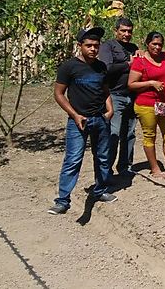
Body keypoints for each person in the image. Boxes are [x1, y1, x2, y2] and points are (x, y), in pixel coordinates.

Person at [48, 27, 117, 215]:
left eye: (96, 46)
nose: (93, 49)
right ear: (80, 46)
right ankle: (62, 200)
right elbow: (59, 94)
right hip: (78, 121)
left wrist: (110, 110)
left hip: (100, 120)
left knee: (103, 157)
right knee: (73, 159)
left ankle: (100, 190)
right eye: (89, 46)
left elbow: (105, 91)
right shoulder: (69, 67)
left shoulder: (101, 67)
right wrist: (75, 115)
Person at [128, 32, 165, 177]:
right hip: (146, 104)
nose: (157, 47)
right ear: (147, 43)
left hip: (164, 103)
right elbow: (131, 84)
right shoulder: (139, 61)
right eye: (154, 44)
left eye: (160, 44)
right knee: (150, 136)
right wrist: (151, 83)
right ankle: (155, 169)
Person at [98, 17, 138, 176]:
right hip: (114, 95)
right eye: (123, 31)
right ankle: (105, 171)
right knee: (113, 133)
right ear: (116, 31)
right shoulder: (107, 46)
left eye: (129, 31)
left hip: (132, 95)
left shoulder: (134, 48)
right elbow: (106, 68)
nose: (126, 34)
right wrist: (128, 64)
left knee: (129, 133)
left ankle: (125, 167)